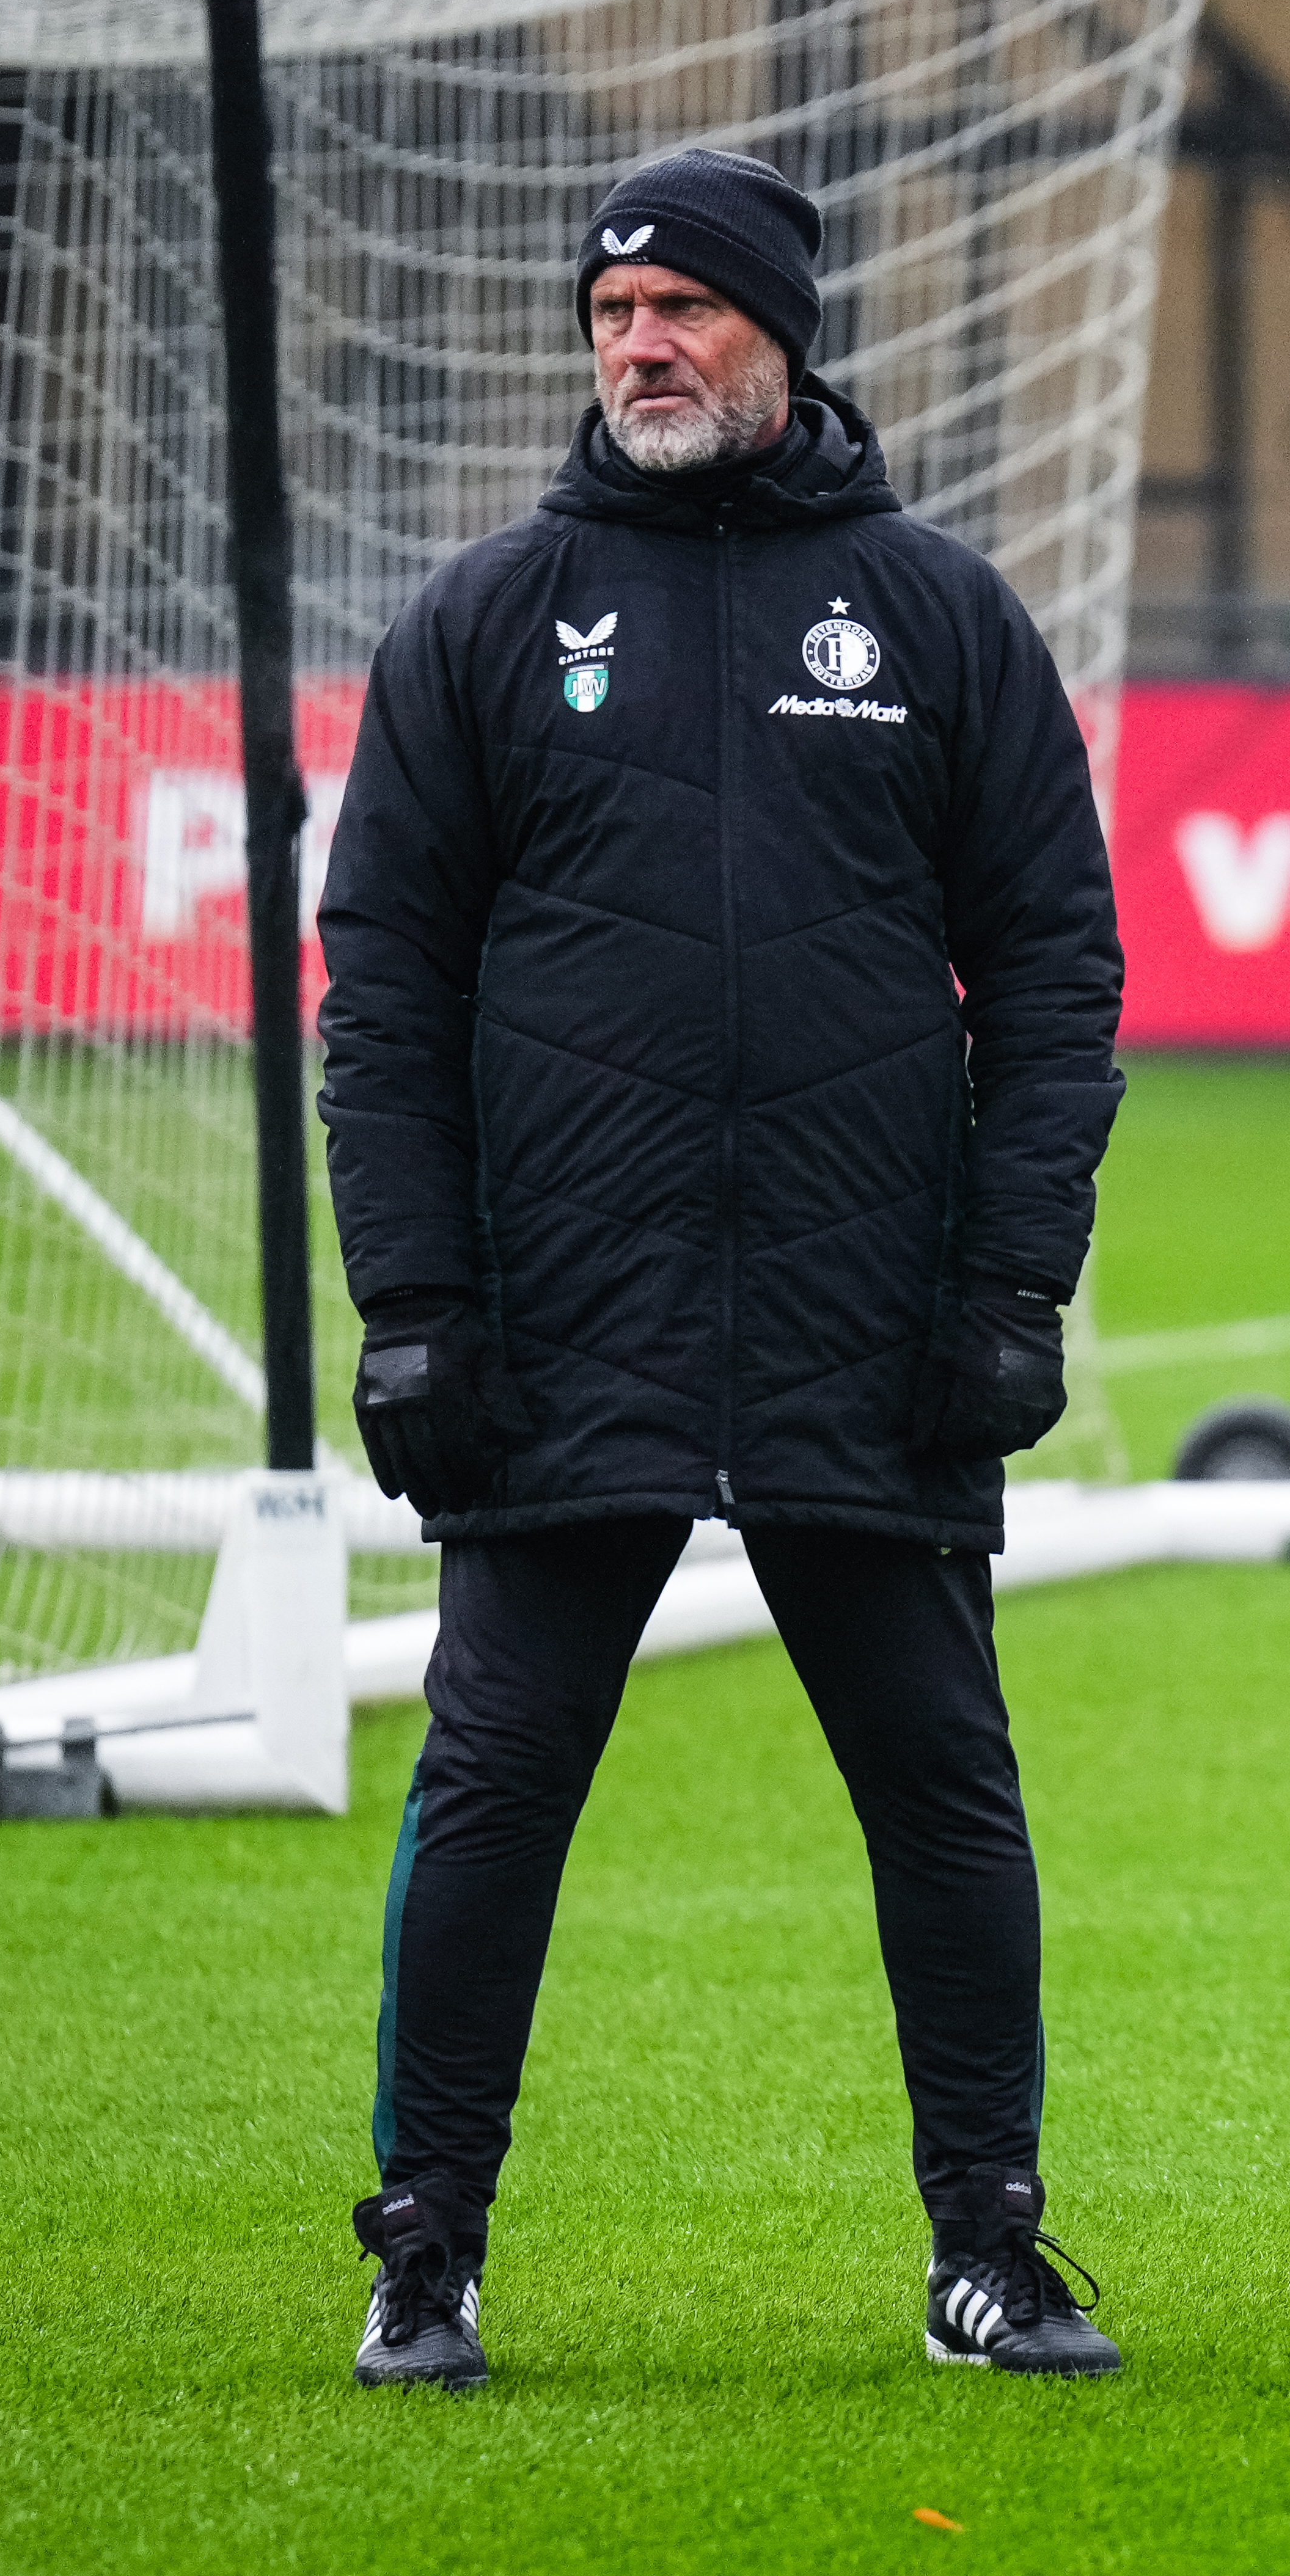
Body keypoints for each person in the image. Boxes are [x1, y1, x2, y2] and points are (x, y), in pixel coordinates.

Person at [317, 148, 1126, 2390]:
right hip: (562, 1327)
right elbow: (379, 986)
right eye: (610, 318)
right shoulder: (484, 623)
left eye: (683, 308)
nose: (642, 346)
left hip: (867, 1333)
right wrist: (416, 1303)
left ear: (783, 330)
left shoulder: (939, 617)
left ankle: (989, 2247)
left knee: (941, 1790)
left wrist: (1007, 1283)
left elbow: (1055, 969)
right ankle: (425, 2250)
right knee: (490, 1787)